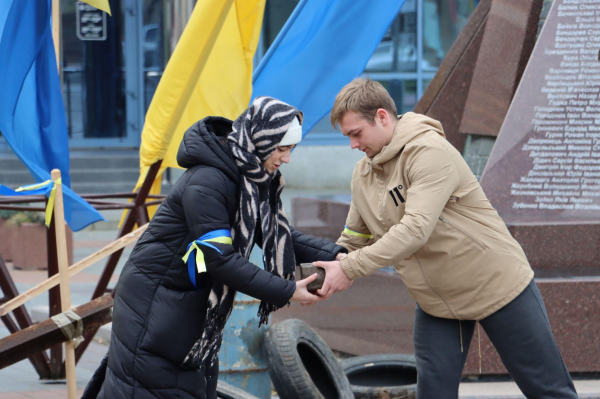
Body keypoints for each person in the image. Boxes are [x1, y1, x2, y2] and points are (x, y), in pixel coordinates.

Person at [314, 78, 579, 399]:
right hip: (437, 300)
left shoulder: (429, 151)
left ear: (382, 117)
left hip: (497, 283)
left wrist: (351, 268)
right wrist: (326, 271)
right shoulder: (363, 172)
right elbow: (355, 236)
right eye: (348, 137)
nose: (353, 145)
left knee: (549, 392)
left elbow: (415, 229)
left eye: (356, 134)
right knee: (434, 394)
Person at [82, 97, 346, 399]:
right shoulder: (208, 180)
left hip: (184, 307)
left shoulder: (246, 180)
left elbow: (276, 234)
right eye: (281, 148)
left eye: (290, 150)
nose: (286, 159)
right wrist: (286, 291)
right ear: (259, 140)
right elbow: (220, 259)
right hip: (154, 305)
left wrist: (338, 255)